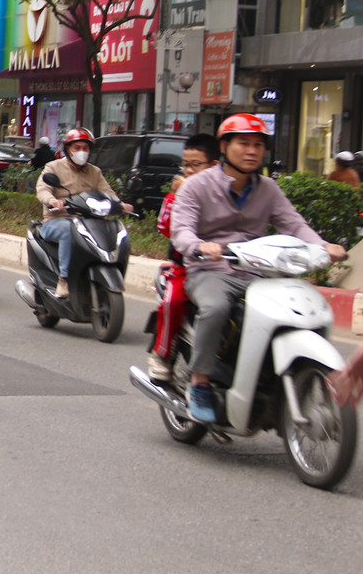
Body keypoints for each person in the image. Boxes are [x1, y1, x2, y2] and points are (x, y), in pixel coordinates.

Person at [170, 114, 346, 424]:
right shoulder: (196, 186)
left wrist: (324, 246)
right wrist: (199, 246)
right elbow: (181, 229)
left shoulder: (268, 188)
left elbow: (293, 224)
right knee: (216, 307)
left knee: (296, 306)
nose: (252, 151)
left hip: (257, 273)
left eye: (258, 145)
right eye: (244, 144)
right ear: (225, 147)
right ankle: (199, 383)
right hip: (211, 271)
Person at [146, 133, 219, 383]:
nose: (188, 171)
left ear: (215, 165)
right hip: (186, 268)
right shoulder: (180, 192)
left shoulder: (229, 192)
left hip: (226, 270)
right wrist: (174, 198)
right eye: (185, 165)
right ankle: (161, 355)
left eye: (194, 165)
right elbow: (165, 226)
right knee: (173, 302)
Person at [34, 128, 131, 298]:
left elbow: (107, 192)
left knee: (116, 230)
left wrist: (121, 205)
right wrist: (52, 201)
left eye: (85, 148)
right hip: (57, 221)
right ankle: (64, 279)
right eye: (77, 147)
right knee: (69, 230)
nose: (81, 152)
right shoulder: (53, 167)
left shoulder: (94, 172)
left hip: (87, 222)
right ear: (68, 149)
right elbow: (42, 190)